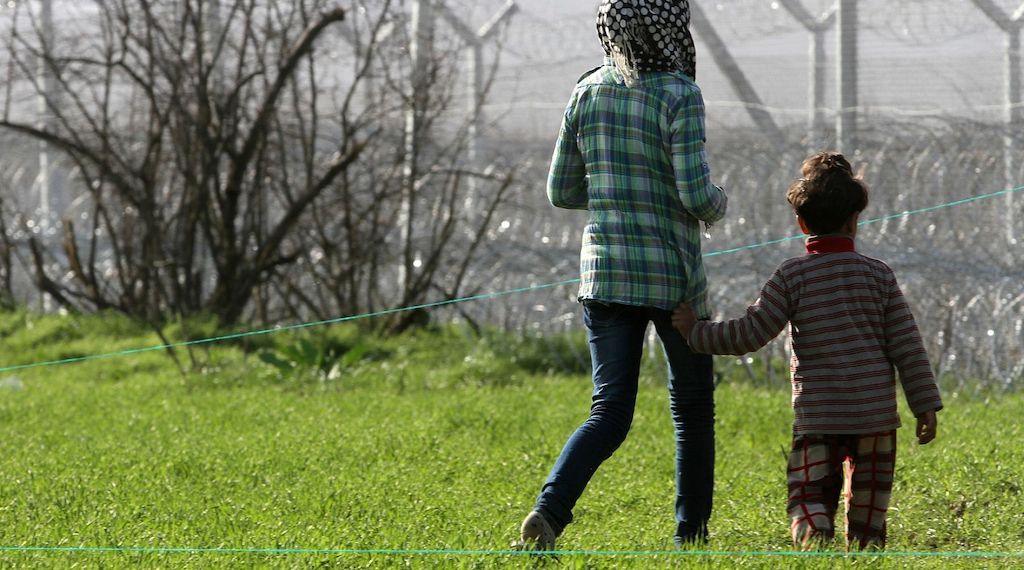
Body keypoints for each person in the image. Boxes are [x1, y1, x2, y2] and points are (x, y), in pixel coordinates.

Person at [519, 0, 728, 550]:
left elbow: (561, 191)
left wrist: (615, 195)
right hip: (672, 279)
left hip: (605, 275)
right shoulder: (680, 94)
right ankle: (691, 537)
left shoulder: (586, 90)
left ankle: (549, 512)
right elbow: (697, 194)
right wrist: (718, 205)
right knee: (692, 409)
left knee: (608, 411)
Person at [672, 151, 943, 550]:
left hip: (819, 416)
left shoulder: (792, 276)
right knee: (870, 515)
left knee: (808, 498)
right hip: (875, 417)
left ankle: (815, 540)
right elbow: (907, 346)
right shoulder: (879, 275)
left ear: (801, 222)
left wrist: (695, 332)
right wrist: (925, 404)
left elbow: (750, 332)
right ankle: (864, 552)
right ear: (855, 219)